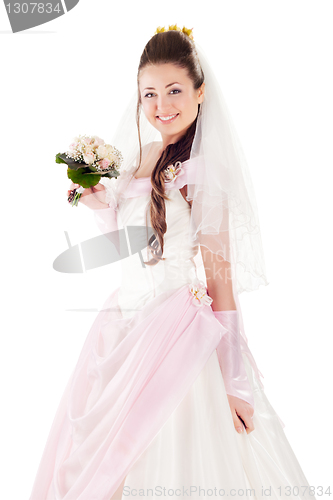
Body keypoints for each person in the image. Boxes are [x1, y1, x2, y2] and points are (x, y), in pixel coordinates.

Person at [29, 26, 317, 500]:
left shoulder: (202, 172)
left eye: (175, 90)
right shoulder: (142, 158)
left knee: (175, 452)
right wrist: (101, 203)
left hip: (177, 334)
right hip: (125, 325)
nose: (162, 104)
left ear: (200, 92)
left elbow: (220, 284)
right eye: (150, 93)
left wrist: (236, 380)